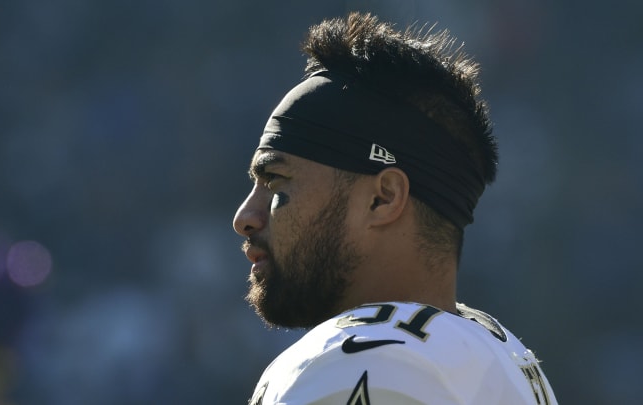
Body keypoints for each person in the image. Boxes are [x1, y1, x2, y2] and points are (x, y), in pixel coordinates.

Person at [232, 12, 557, 405]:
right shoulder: (507, 359)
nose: (245, 218)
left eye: (277, 183)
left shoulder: (355, 362)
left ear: (383, 198)